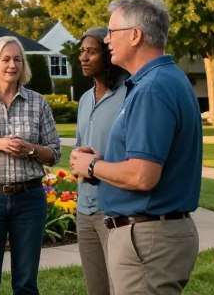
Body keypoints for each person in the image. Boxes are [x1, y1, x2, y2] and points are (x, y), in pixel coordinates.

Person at [69, 0, 202, 294]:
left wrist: (92, 166)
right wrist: (104, 162)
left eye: (111, 32)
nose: (107, 40)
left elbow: (143, 176)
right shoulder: (163, 80)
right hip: (153, 235)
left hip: (147, 238)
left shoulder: (152, 88)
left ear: (135, 35)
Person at [0, 36, 61, 295]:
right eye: (5, 59)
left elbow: (54, 154)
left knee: (26, 284)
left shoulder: (38, 102)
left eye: (18, 59)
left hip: (29, 199)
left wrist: (30, 149)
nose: (12, 65)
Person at [73, 26, 126, 295]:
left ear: (107, 55)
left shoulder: (128, 94)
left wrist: (97, 165)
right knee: (95, 288)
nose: (83, 57)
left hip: (114, 209)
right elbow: (79, 145)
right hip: (84, 210)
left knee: (121, 286)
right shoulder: (84, 99)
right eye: (82, 51)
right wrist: (77, 161)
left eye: (91, 52)